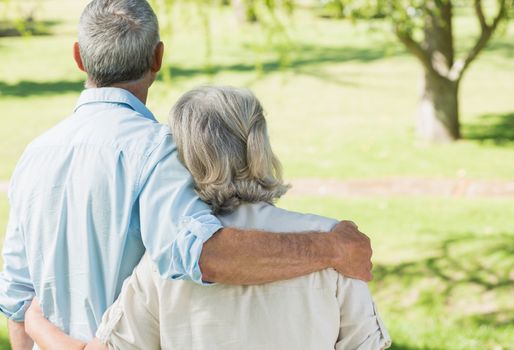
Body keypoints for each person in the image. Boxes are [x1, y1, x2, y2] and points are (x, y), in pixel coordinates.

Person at [0, 0, 372, 348]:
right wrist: (333, 246)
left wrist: (38, 330)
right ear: (158, 57)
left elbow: (18, 301)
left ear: (78, 57)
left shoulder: (33, 155)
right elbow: (202, 254)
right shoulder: (158, 149)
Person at [24, 86, 391, 350]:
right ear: (260, 145)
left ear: (184, 159)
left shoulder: (163, 264)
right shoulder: (337, 246)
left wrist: (34, 320)